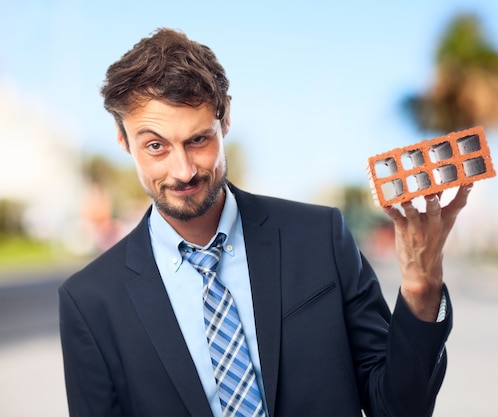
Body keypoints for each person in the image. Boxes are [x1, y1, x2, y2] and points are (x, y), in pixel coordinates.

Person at [58, 28, 472, 417]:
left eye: (198, 140)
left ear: (225, 120)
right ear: (122, 139)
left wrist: (421, 286)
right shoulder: (90, 302)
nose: (183, 170)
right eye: (155, 147)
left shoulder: (319, 239)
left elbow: (398, 408)